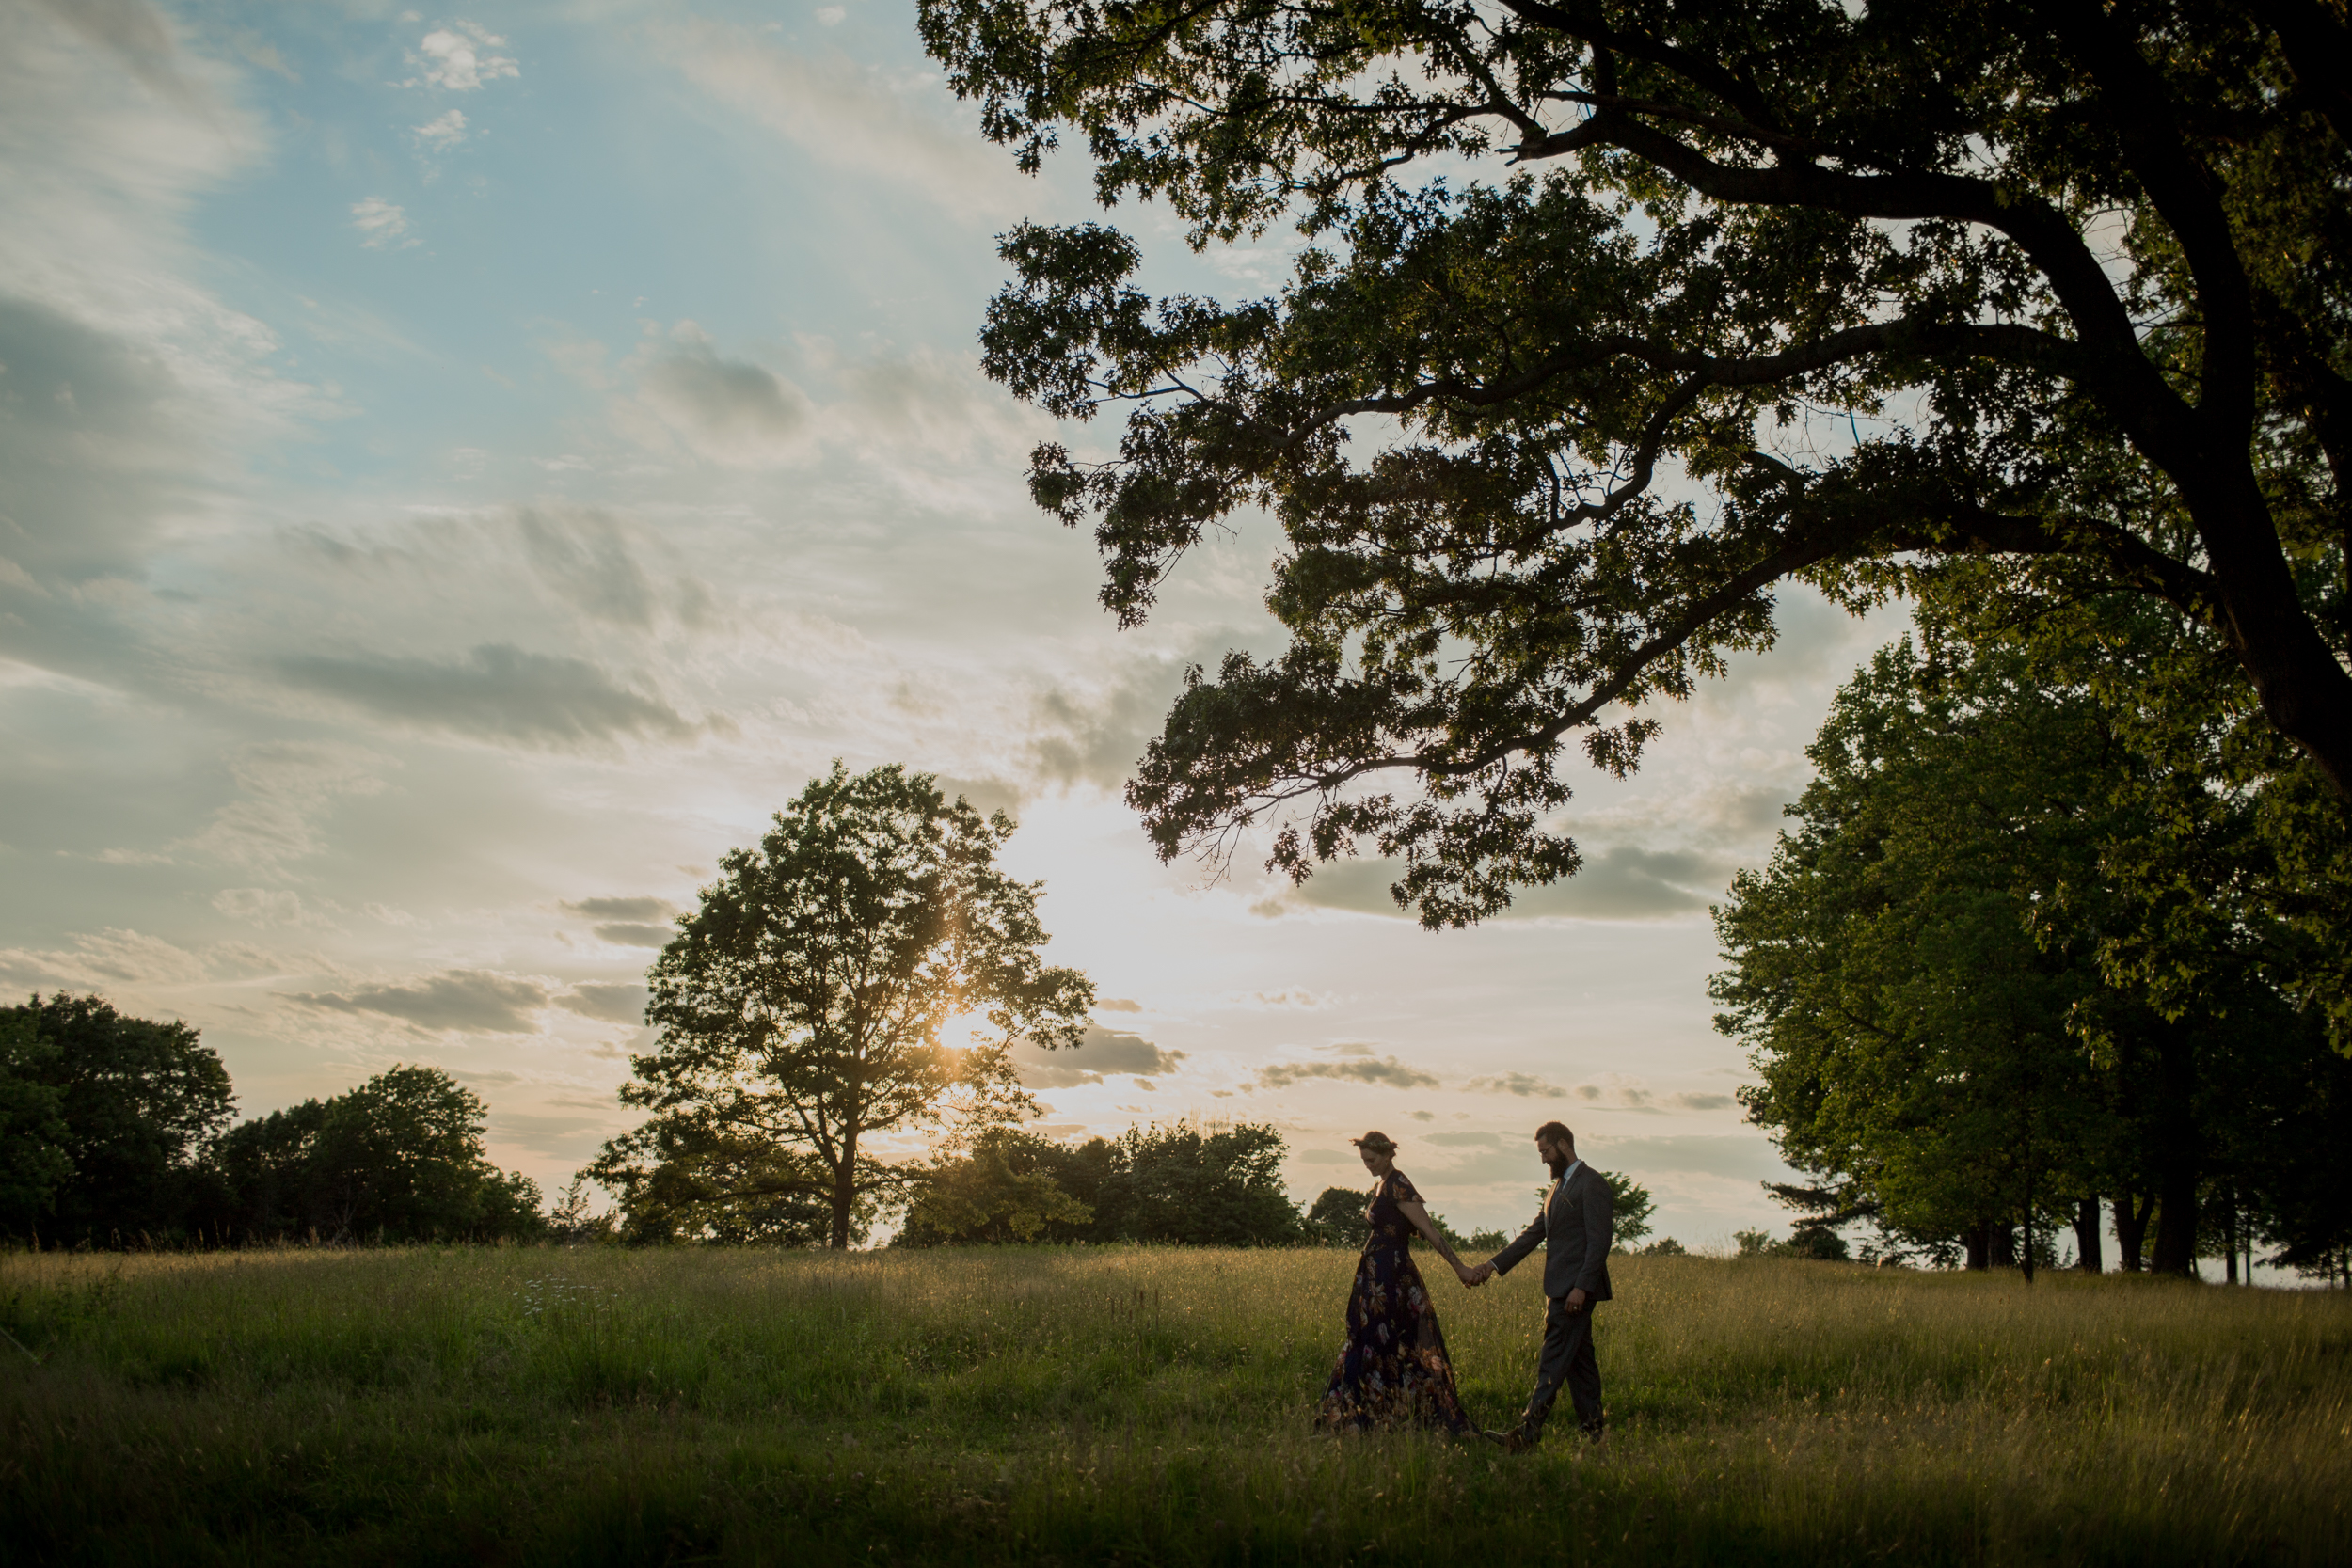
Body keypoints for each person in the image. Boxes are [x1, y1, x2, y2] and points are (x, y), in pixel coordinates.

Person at [1312, 1130, 1483, 1433]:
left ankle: (1398, 1411)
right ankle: (1371, 1411)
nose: (1368, 1165)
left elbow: (1429, 1230)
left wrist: (1459, 1267)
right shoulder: (1382, 1184)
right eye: (1364, 1160)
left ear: (1388, 1154)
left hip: (1392, 1277)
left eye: (1372, 1159)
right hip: (1375, 1275)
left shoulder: (1399, 1184)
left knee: (1392, 1340)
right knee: (1369, 1339)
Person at [1468, 1119, 1613, 1451]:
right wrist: (1491, 1266)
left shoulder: (1593, 1185)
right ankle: (1595, 1436)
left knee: (1553, 1358)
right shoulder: (1557, 1188)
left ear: (1563, 1145)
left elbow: (1599, 1242)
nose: (1543, 1159)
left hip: (1574, 1292)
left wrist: (1582, 1287)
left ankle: (1527, 1433)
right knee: (1581, 1366)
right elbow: (1535, 1234)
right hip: (1560, 1289)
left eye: (1545, 1151)